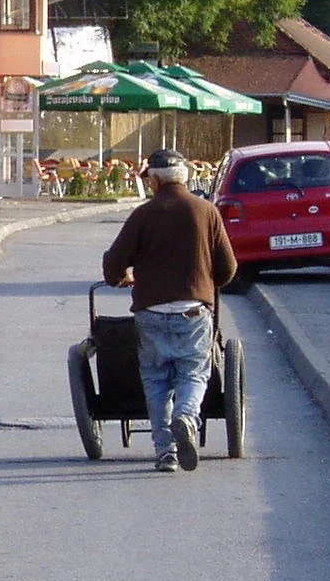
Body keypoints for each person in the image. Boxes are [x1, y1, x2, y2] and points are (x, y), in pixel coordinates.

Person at [101, 148, 238, 473]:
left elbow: (113, 266)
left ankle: (166, 452)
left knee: (156, 378)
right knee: (194, 371)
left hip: (150, 312)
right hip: (193, 310)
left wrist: (124, 279)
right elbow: (228, 267)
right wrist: (207, 283)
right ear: (185, 178)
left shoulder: (143, 215)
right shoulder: (206, 211)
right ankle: (187, 418)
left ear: (154, 180)